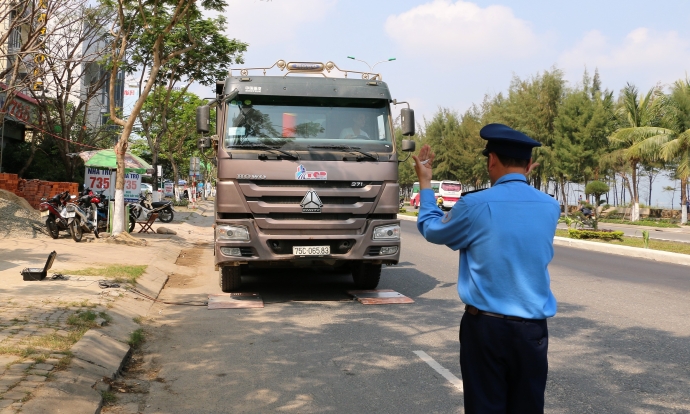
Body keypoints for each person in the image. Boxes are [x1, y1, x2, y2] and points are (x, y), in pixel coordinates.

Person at [412, 123, 560, 413]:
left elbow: (432, 229)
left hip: (487, 329)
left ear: (491, 160)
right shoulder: (550, 206)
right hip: (533, 332)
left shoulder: (475, 205)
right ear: (529, 164)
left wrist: (426, 185)